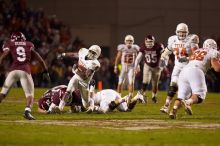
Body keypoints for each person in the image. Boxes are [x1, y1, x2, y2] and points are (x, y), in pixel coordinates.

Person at [0, 32, 50, 120]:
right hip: (24, 71)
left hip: (13, 71)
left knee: (3, 93)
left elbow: (3, 56)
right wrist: (45, 71)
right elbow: (40, 60)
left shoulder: (10, 43)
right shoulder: (29, 44)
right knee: (30, 95)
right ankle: (27, 111)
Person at [169, 39, 220, 119]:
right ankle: (188, 103)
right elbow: (217, 68)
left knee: (182, 95)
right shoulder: (214, 52)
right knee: (200, 94)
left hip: (184, 71)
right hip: (196, 71)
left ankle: (173, 110)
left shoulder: (198, 50)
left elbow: (187, 59)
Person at [159, 23, 199, 114]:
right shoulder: (172, 40)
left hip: (189, 68)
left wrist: (187, 58)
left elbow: (197, 54)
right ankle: (166, 105)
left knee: (185, 92)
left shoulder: (191, 40)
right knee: (173, 85)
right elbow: (166, 52)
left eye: (184, 32)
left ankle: (185, 105)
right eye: (180, 32)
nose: (181, 34)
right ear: (176, 32)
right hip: (177, 67)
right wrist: (162, 59)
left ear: (187, 32)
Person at [58, 45, 101, 113]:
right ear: (88, 50)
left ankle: (95, 107)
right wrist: (64, 54)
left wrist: (75, 71)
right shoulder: (83, 51)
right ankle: (60, 108)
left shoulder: (95, 63)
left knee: (86, 104)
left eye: (94, 53)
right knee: (68, 91)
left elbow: (85, 76)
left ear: (97, 55)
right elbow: (74, 55)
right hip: (76, 77)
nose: (91, 54)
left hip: (84, 83)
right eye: (91, 51)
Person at [134, 35, 164, 103]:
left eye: (150, 41)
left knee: (155, 83)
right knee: (145, 81)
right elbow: (138, 58)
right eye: (147, 41)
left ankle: (154, 96)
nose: (149, 43)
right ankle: (142, 96)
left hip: (157, 67)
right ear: (145, 41)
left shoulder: (158, 46)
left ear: (153, 41)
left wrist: (163, 64)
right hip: (147, 66)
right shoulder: (143, 47)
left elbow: (164, 55)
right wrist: (136, 66)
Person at [114, 35, 140, 103]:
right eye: (128, 41)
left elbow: (137, 58)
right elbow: (118, 57)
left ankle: (130, 96)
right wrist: (116, 66)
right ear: (125, 41)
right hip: (123, 67)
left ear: (133, 41)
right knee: (120, 82)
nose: (129, 42)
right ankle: (118, 96)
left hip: (131, 67)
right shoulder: (122, 47)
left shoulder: (135, 48)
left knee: (131, 82)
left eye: (130, 41)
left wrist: (138, 66)